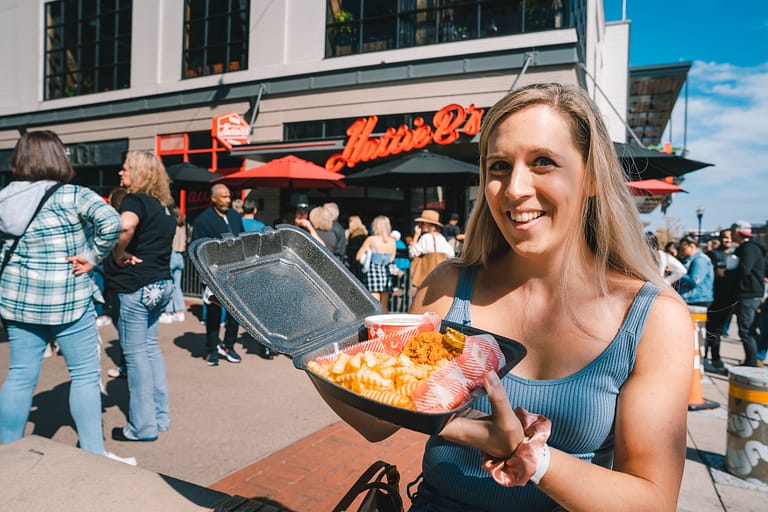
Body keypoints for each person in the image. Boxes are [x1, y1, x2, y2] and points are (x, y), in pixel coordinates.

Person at [408, 83, 691, 511]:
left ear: (592, 177)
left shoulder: (654, 318)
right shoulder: (446, 287)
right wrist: (313, 337)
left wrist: (529, 457)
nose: (515, 188)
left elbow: (653, 501)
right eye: (499, 166)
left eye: (543, 162)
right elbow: (377, 419)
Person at [0, 131, 134, 464]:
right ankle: (92, 453)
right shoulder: (73, 195)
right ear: (57, 157)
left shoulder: (4, 197)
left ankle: (6, 452)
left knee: (20, 374)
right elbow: (111, 222)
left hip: (19, 301)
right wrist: (91, 256)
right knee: (86, 375)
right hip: (68, 299)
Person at [106, 150, 175, 442]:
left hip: (137, 286)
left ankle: (142, 427)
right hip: (161, 284)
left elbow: (125, 225)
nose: (121, 174)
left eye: (125, 169)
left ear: (139, 172)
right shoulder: (164, 206)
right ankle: (160, 417)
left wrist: (118, 251)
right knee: (149, 351)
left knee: (135, 356)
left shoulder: (134, 201)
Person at [192, 184, 250, 364]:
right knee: (213, 313)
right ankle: (211, 349)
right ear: (213, 198)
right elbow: (197, 248)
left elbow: (242, 241)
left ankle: (228, 346)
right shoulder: (203, 220)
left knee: (235, 314)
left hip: (235, 273)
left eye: (228, 196)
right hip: (213, 275)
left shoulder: (234, 216)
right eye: (223, 197)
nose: (227, 200)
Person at [729, 220, 765, 367]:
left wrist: (727, 273)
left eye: (732, 232)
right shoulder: (751, 248)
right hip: (751, 294)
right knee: (749, 330)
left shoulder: (748, 248)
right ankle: (753, 360)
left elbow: (744, 269)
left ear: (737, 232)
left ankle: (751, 363)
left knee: (746, 331)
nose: (730, 235)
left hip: (749, 294)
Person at [356, 215, 397, 313]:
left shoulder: (371, 239)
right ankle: (385, 327)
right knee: (384, 306)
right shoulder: (392, 241)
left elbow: (358, 256)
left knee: (375, 304)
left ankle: (375, 327)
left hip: (373, 271)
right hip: (386, 271)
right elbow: (391, 259)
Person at [159, 206, 187, 324]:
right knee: (177, 286)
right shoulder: (182, 226)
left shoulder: (170, 225)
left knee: (168, 286)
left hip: (171, 255)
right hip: (180, 256)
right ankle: (179, 311)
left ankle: (168, 311)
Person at [676, 236, 714, 308]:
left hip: (697, 300)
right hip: (693, 299)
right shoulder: (692, 259)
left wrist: (675, 273)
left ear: (692, 246)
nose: (680, 252)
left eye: (683, 249)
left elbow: (693, 281)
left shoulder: (700, 260)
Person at [345, 215, 368, 282]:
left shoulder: (349, 232)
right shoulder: (364, 231)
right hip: (362, 254)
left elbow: (345, 243)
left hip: (351, 254)